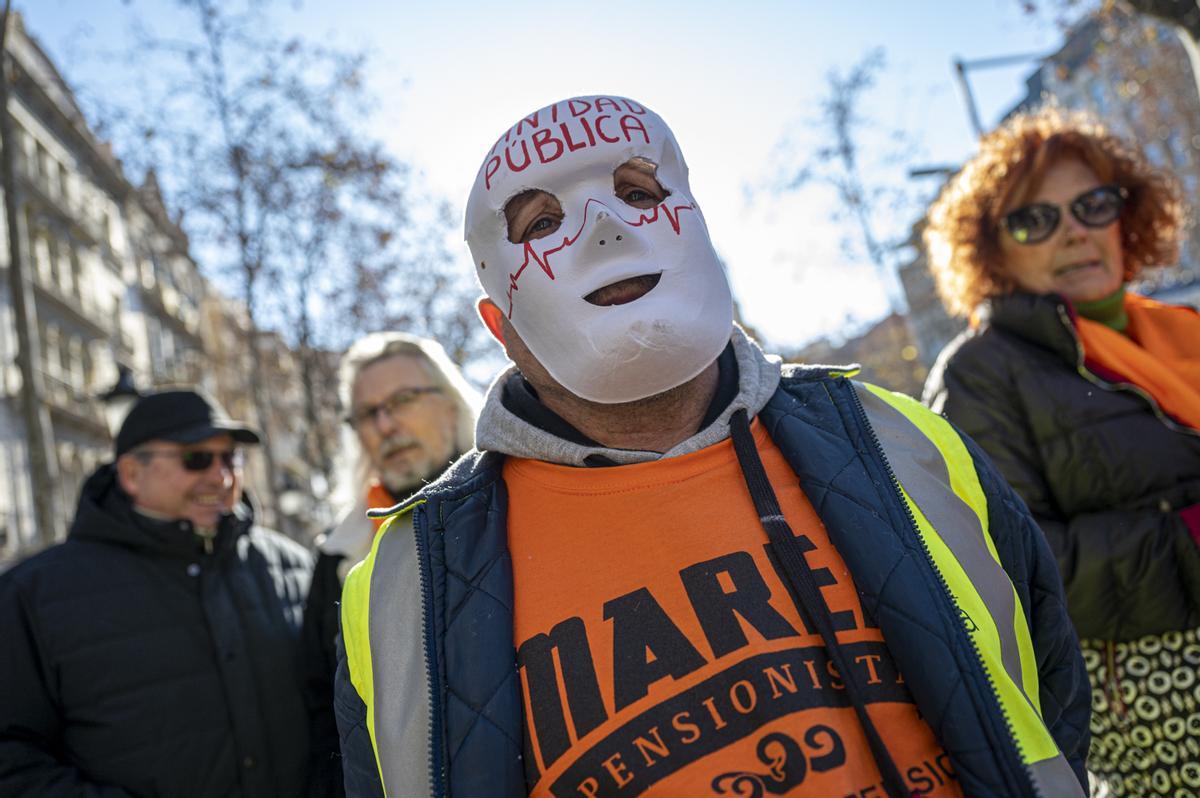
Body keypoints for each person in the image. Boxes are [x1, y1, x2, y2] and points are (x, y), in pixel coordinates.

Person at [335, 95, 1091, 798]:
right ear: (500, 326)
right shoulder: (405, 587)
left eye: (638, 192)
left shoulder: (898, 439)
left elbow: (1047, 686)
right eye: (540, 225)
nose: (607, 230)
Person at [922, 108, 1200, 796]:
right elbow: (1007, 574)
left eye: (1091, 204)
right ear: (992, 249)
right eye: (1033, 220)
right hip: (1158, 702)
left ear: (1125, 215)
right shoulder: (979, 373)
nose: (1073, 230)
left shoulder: (1182, 328)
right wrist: (1188, 538)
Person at [0, 389, 314, 797]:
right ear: (131, 474)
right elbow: (12, 759)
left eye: (231, 458)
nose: (221, 477)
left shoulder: (295, 567)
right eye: (196, 458)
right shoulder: (33, 594)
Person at [301, 332, 480, 796]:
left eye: (402, 399)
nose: (385, 424)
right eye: (367, 413)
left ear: (449, 401)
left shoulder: (525, 500)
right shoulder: (338, 558)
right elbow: (322, 718)